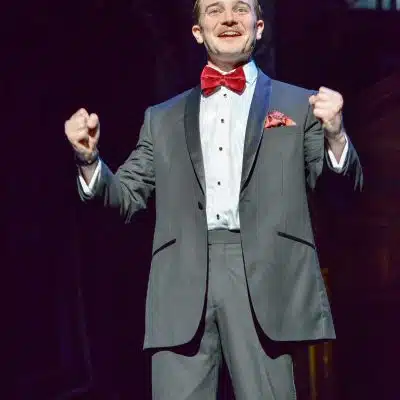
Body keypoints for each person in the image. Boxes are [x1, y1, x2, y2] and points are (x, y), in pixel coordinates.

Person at [65, 0, 363, 398]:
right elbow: (126, 196)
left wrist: (336, 135)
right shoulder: (161, 118)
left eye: (240, 8)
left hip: (265, 278)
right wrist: (89, 161)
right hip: (181, 278)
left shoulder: (298, 105)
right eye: (214, 10)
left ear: (259, 27)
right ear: (197, 32)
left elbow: (339, 189)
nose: (228, 19)